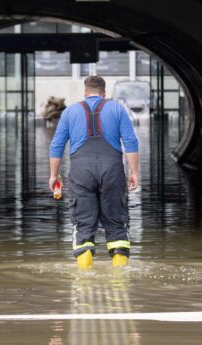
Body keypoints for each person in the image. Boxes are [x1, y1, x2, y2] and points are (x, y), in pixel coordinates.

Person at [49, 76, 139, 269]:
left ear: (85, 92)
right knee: (116, 222)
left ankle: (84, 274)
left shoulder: (70, 112)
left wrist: (54, 175)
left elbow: (56, 146)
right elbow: (131, 142)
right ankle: (119, 275)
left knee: (83, 223)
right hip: (112, 169)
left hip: (81, 171)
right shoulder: (117, 109)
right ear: (104, 92)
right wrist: (134, 172)